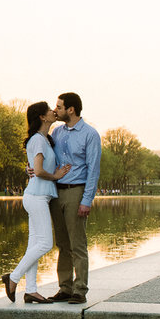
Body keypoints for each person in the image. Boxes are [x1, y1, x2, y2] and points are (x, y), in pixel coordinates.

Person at [2, 102, 70, 305]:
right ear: (42, 117)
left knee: (34, 245)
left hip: (39, 196)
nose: (53, 112)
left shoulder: (43, 140)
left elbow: (34, 167)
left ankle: (31, 290)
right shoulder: (38, 141)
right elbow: (39, 171)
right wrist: (56, 175)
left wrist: (30, 168)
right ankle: (13, 277)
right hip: (37, 197)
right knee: (45, 244)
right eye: (50, 110)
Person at [47, 92, 102, 304]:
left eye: (59, 107)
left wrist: (86, 200)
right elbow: (47, 157)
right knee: (62, 243)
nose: (55, 110)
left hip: (76, 191)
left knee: (77, 243)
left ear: (71, 109)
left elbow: (93, 170)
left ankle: (80, 290)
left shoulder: (90, 134)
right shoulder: (57, 131)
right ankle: (65, 288)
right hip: (56, 192)